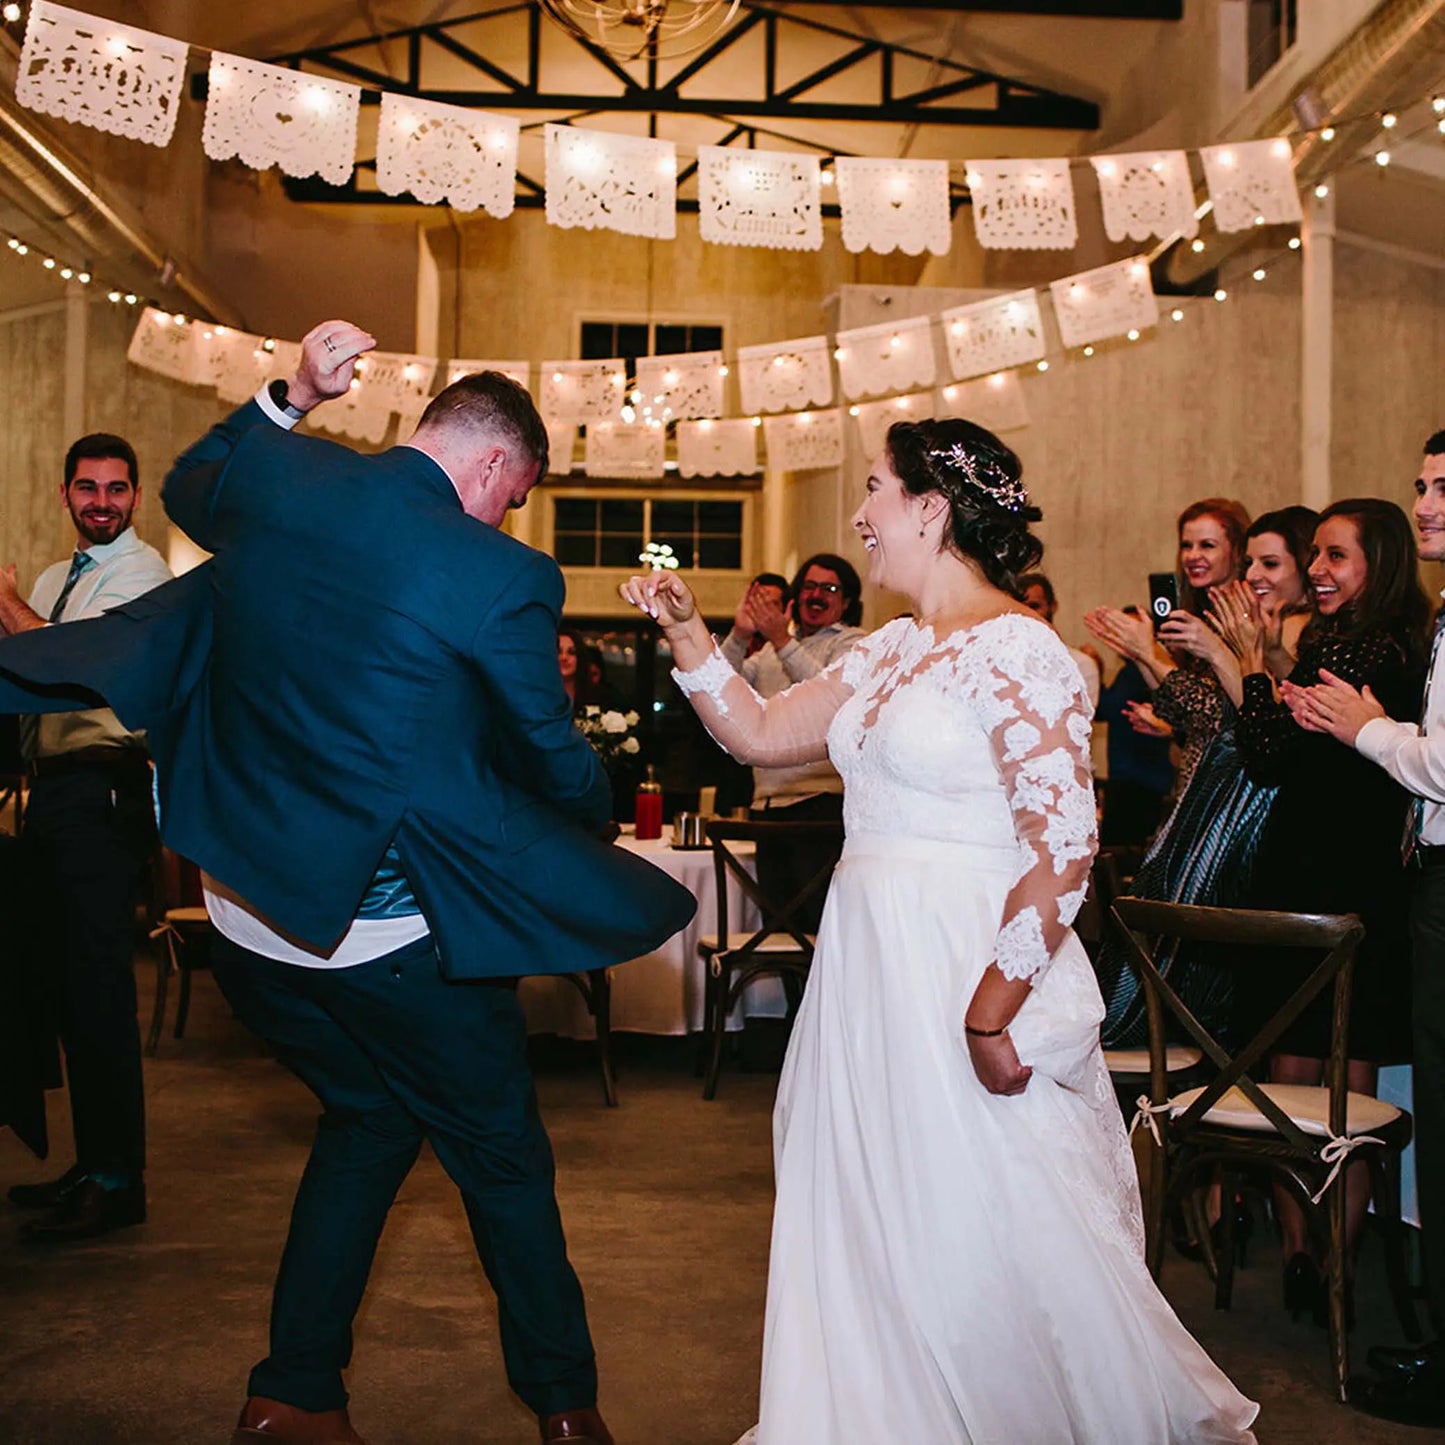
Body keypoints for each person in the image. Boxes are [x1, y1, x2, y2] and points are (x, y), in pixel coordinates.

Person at [0, 322, 694, 1445]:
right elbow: (544, 745)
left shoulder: (288, 485)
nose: (508, 518)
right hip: (382, 936)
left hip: (246, 923)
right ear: (492, 468)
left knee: (369, 1120)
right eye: (511, 495)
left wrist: (291, 394)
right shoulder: (501, 572)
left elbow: (187, 483)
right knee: (503, 1157)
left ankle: (291, 1392)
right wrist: (587, 816)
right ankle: (567, 1409)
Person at [621, 417, 1258, 1444]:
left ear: (929, 506)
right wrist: (689, 633)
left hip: (961, 971)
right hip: (867, 969)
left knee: (975, 1228)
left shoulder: (1024, 652)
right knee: (868, 1214)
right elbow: (758, 731)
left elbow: (1063, 845)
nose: (858, 514)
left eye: (873, 488)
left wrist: (988, 1011)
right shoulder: (892, 650)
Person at [1283, 435, 1445, 1428]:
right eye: (1420, 485)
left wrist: (1366, 731)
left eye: (1441, 489)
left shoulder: (1371, 644)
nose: (1423, 502)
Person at [1236, 499, 1428, 1327]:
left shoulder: (1348, 648)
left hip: (1307, 880)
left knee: (1292, 1085)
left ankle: (1301, 1255)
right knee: (1344, 1094)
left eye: (1334, 556)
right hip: (1372, 893)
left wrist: (1251, 664)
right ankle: (1337, 1265)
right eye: (1312, 554)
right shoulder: (1405, 645)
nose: (1317, 569)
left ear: (1375, 562)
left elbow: (1267, 754)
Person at [0, 433, 172, 1243]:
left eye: (116, 488)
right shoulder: (50, 578)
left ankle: (119, 1180)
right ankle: (89, 1161)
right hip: (51, 796)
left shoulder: (143, 576)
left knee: (100, 990)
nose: (101, 501)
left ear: (135, 497)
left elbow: (76, 665)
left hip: (102, 792)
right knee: (65, 988)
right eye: (87, 488)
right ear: (64, 493)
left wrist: (5, 607)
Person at [720, 557, 865, 930]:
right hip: (767, 805)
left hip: (819, 806)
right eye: (809, 587)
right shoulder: (767, 652)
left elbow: (830, 699)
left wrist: (782, 639)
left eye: (829, 589)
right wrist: (738, 635)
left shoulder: (853, 644)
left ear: (846, 602)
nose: (816, 595)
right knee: (777, 928)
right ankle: (789, 992)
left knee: (817, 928)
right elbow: (721, 691)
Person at [1019, 569, 1101, 707]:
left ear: (1053, 607)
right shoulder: (1000, 663)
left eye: (1034, 606)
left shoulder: (1081, 664)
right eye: (1021, 606)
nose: (1027, 613)